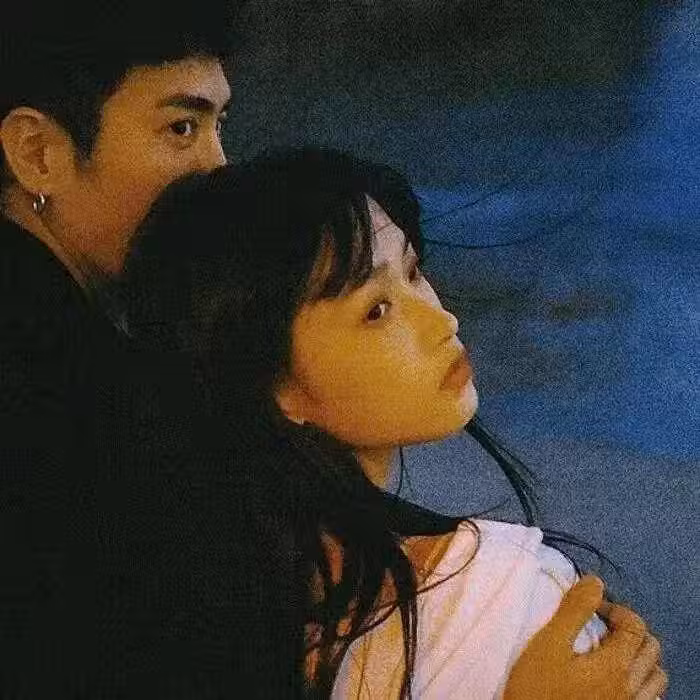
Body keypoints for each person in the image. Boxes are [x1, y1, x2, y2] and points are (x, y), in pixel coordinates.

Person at [122, 147, 668, 698]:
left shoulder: (188, 613)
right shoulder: (507, 597)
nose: (441, 319)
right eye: (377, 310)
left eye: (413, 272)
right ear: (276, 388)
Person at [0, 2, 243, 694]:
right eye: (181, 128)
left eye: (220, 127)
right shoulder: (80, 399)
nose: (219, 167)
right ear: (38, 154)